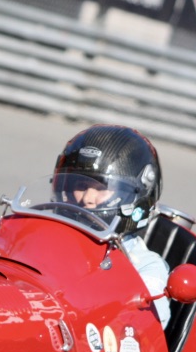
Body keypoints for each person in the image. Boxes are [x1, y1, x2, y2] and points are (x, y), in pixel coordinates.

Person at [52, 124, 171, 328]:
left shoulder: (146, 266)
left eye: (101, 188)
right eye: (80, 186)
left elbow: (147, 326)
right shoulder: (50, 238)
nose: (87, 199)